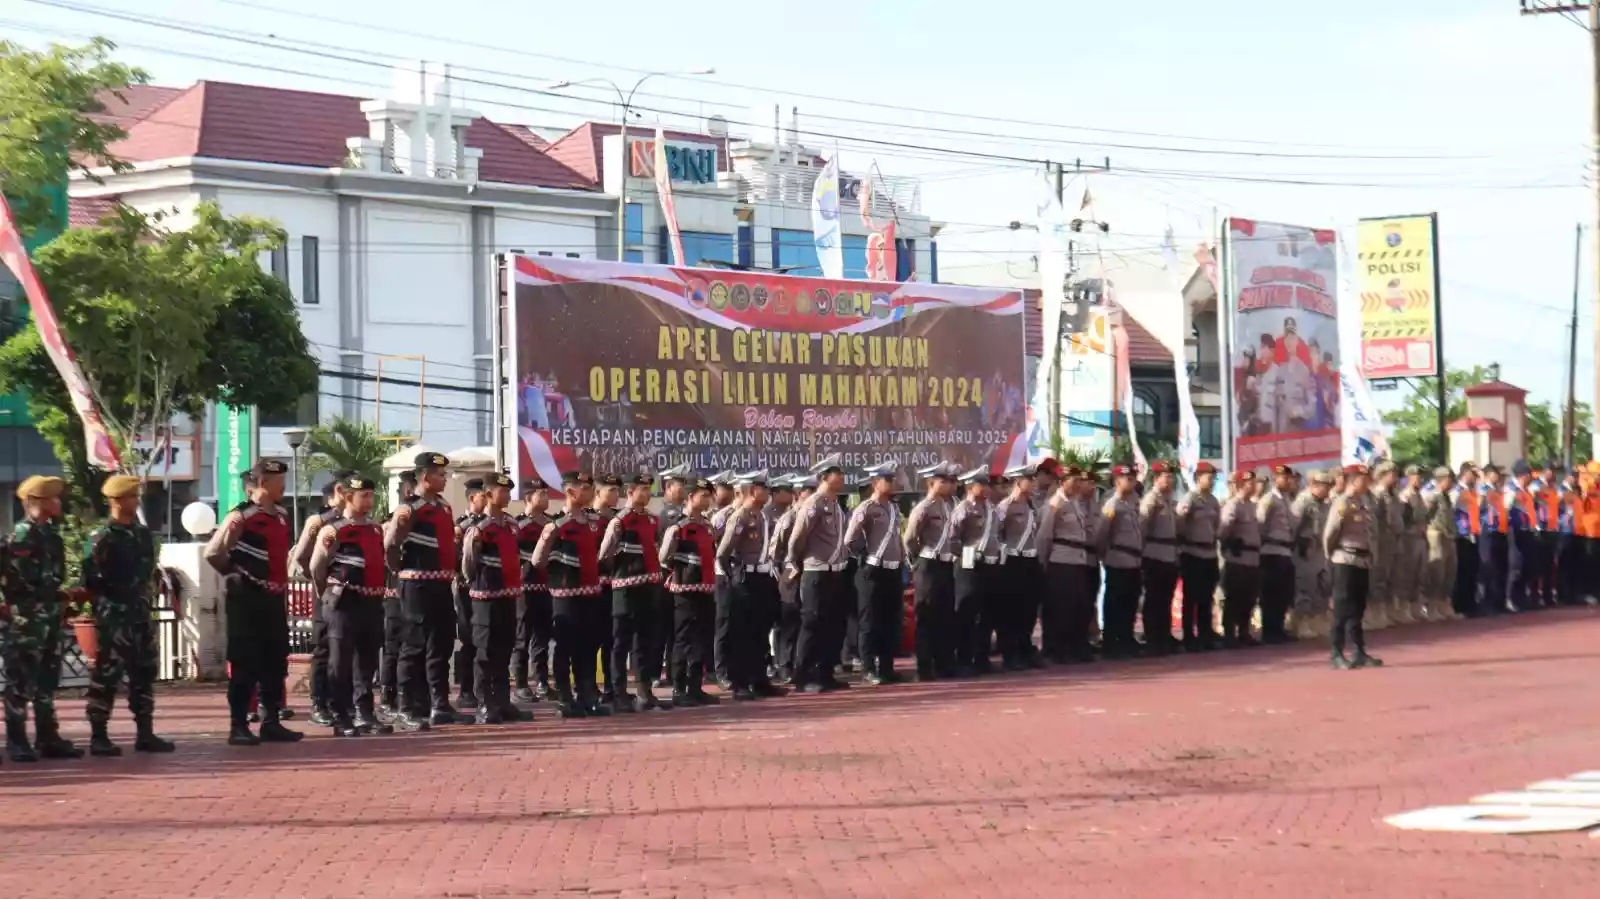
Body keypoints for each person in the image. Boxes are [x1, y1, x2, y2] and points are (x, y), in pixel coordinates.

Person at [204, 460, 302, 745]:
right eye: (277, 480)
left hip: (274, 599)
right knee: (245, 663)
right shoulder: (241, 517)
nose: (283, 484)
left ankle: (271, 721)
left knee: (275, 662)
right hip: (247, 599)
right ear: (262, 484)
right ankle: (238, 726)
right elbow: (213, 552)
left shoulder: (282, 515)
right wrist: (233, 575)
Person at [82, 475, 176, 756]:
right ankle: (99, 736)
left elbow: (147, 571)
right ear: (115, 500)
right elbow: (91, 581)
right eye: (131, 497)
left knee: (144, 673)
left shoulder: (142, 535)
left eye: (137, 497)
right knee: (106, 677)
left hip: (140, 615)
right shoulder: (102, 538)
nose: (136, 502)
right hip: (114, 619)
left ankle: (145, 733)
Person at [2, 476, 82, 762]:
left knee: (47, 683)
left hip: (49, 620)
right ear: (34, 502)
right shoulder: (20, 538)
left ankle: (48, 738)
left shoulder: (52, 537)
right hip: (26, 622)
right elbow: (15, 584)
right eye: (51, 498)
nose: (57, 502)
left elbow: (52, 579)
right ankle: (16, 740)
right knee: (20, 683)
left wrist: (63, 597)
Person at [307, 475, 392, 737]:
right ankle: (340, 715)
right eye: (363, 496)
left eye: (370, 495)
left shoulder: (375, 529)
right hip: (343, 602)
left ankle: (364, 712)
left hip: (371, 601)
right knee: (340, 661)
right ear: (347, 496)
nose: (369, 501)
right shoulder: (334, 530)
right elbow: (315, 566)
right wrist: (327, 594)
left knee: (366, 661)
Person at [383, 451, 457, 731]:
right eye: (440, 475)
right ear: (425, 477)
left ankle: (438, 703)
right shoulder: (408, 508)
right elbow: (390, 544)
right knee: (413, 645)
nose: (445, 479)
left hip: (440, 583)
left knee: (441, 643)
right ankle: (406, 706)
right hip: (416, 584)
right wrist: (398, 571)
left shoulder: (443, 506)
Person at [531, 472, 611, 718]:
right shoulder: (556, 525)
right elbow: (537, 560)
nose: (588, 492)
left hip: (591, 594)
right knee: (565, 647)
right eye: (583, 487)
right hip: (565, 596)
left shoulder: (593, 523)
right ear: (569, 491)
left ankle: (587, 694)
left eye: (589, 487)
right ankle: (565, 698)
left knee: (587, 647)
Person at [459, 474, 524, 725]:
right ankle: (485, 703)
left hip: (508, 595)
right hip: (485, 597)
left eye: (508, 491)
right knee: (485, 652)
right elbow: (468, 563)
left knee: (504, 649)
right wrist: (476, 583)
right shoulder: (479, 528)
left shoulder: (510, 525)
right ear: (487, 495)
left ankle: (502, 702)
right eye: (502, 491)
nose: (507, 495)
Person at [599, 473, 664, 712]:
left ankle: (644, 691)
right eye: (642, 489)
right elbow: (604, 554)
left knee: (644, 642)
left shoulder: (652, 520)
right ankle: (618, 693)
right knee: (620, 643)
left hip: (648, 588)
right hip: (625, 589)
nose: (646, 494)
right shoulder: (620, 521)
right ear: (630, 492)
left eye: (649, 489)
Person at [786, 455, 851, 693]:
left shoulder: (835, 504)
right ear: (824, 477)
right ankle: (802, 675)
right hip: (815, 571)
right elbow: (797, 538)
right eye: (837, 473)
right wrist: (798, 562)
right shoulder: (813, 503)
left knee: (831, 624)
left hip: (834, 572)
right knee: (812, 623)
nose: (842, 477)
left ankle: (824, 673)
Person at [291, 472, 350, 728]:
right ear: (336, 492)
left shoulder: (357, 521)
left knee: (347, 651)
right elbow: (302, 557)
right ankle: (319, 703)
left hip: (352, 598)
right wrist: (321, 584)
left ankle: (344, 704)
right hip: (326, 595)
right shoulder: (319, 521)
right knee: (323, 649)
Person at [717, 469, 783, 698]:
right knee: (742, 633)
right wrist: (733, 577)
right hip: (744, 579)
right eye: (764, 488)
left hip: (762, 577)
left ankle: (759, 679)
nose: (767, 492)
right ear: (753, 491)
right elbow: (723, 553)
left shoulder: (763, 516)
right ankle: (740, 683)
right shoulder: (741, 516)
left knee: (760, 631)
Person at [659, 477, 721, 706]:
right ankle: (678, 688)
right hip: (684, 589)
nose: (707, 500)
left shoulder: (707, 526)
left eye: (708, 495)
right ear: (690, 497)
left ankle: (695, 687)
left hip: (705, 588)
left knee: (701, 639)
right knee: (683, 639)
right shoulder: (678, 526)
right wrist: (680, 572)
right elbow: (664, 557)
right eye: (703, 495)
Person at [844, 460, 905, 683]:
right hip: (872, 569)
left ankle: (887, 668)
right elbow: (850, 539)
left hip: (892, 570)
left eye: (892, 479)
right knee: (869, 620)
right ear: (875, 483)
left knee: (891, 620)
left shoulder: (894, 508)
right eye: (887, 480)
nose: (892, 483)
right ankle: (869, 668)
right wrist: (865, 555)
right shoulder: (866, 508)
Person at [1034, 466, 1095, 663]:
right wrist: (1044, 563)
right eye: (1073, 480)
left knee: (1080, 605)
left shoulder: (1075, 503)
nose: (1078, 484)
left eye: (1079, 480)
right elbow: (1044, 536)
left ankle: (1075, 646)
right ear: (1062, 482)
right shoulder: (1055, 504)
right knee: (1060, 608)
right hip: (1060, 561)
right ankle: (1056, 649)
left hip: (1077, 559)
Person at [903, 463, 958, 679]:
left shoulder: (949, 506)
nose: (947, 485)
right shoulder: (923, 507)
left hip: (946, 564)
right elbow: (909, 538)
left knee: (945, 615)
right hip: (929, 565)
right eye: (942, 481)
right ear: (931, 483)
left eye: (948, 481)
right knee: (927, 616)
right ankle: (924, 667)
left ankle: (944, 663)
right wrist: (918, 559)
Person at [1325, 464, 1382, 669]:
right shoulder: (1342, 502)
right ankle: (1336, 653)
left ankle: (1359, 652)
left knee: (1358, 609)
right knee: (1342, 608)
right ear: (1352, 480)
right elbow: (1331, 532)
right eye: (1362, 478)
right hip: (1344, 559)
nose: (1366, 482)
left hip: (1361, 560)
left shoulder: (1363, 502)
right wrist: (1330, 556)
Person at [950, 466, 1001, 675]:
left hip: (989, 564)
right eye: (982, 484)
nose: (987, 488)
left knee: (987, 613)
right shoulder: (962, 509)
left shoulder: (991, 510)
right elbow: (952, 539)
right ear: (972, 486)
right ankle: (964, 658)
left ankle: (981, 657)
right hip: (968, 566)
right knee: (967, 613)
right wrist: (964, 555)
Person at [991, 463, 1041, 669]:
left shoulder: (1032, 506)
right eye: (1030, 479)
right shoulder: (1005, 507)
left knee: (1028, 609)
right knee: (1011, 610)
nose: (1034, 483)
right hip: (1012, 561)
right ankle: (1010, 654)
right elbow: (995, 533)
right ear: (1018, 482)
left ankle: (1024, 648)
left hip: (1030, 560)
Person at [513, 477, 557, 702]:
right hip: (525, 588)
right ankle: (520, 684)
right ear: (528, 497)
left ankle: (541, 681)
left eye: (547, 493)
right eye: (542, 494)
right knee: (522, 637)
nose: (546, 498)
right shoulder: (518, 525)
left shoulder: (551, 524)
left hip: (546, 588)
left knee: (542, 636)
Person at [378, 469, 417, 718]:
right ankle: (387, 697)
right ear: (407, 491)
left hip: (414, 595)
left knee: (413, 646)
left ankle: (410, 696)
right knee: (392, 648)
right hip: (394, 594)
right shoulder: (388, 523)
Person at [1096, 464, 1145, 659]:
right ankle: (1110, 641)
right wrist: (1104, 556)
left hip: (1133, 559)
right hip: (1117, 558)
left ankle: (1126, 638)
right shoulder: (1112, 505)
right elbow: (1102, 535)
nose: (1131, 481)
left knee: (1130, 601)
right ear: (1117, 481)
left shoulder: (1134, 504)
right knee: (1115, 602)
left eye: (1133, 477)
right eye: (1127, 478)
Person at [768, 473, 813, 683]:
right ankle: (784, 666)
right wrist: (783, 574)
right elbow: (775, 551)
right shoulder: (789, 518)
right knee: (789, 622)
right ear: (798, 494)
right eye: (808, 491)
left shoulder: (815, 515)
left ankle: (802, 665)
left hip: (811, 574)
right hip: (791, 575)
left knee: (808, 621)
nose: (812, 495)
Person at [652, 463, 693, 689]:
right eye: (681, 485)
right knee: (662, 628)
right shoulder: (668, 515)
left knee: (675, 629)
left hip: (679, 577)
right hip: (666, 576)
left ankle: (672, 670)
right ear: (668, 487)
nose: (685, 489)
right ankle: (655, 671)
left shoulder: (683, 513)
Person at [451, 478, 489, 711]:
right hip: (467, 589)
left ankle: (484, 688)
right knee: (468, 640)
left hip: (486, 589)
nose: (486, 499)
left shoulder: (492, 524)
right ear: (472, 498)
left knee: (486, 641)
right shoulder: (460, 526)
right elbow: (456, 557)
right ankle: (466, 690)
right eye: (483, 495)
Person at [1176, 462, 1222, 652]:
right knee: (1191, 598)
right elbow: (1179, 522)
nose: (1211, 481)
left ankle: (1205, 634)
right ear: (1198, 477)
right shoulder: (1190, 498)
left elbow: (1217, 525)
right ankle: (1189, 636)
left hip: (1209, 553)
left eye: (1213, 478)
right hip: (1192, 552)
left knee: (1206, 597)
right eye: (1209, 477)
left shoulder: (1213, 501)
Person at [1136, 462, 1180, 656]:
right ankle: (1153, 636)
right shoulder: (1151, 500)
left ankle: (1164, 634)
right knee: (1154, 598)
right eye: (1165, 476)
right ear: (1155, 479)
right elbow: (1142, 528)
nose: (1169, 479)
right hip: (1154, 554)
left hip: (1169, 554)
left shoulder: (1170, 500)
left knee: (1166, 598)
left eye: (1171, 476)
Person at [1218, 470, 1262, 647]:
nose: (1253, 485)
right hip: (1237, 558)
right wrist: (1229, 542)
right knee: (1234, 597)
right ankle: (1229, 633)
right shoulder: (1233, 505)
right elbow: (1223, 529)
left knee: (1249, 598)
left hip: (1252, 558)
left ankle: (1244, 631)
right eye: (1250, 482)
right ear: (1242, 485)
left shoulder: (1251, 506)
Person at [1290, 469, 1334, 639]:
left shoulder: (1324, 503)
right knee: (1305, 587)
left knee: (1322, 586)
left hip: (1319, 549)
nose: (1328, 490)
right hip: (1304, 549)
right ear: (1315, 485)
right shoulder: (1304, 501)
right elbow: (1293, 525)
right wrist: (1297, 543)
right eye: (1325, 486)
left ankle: (1316, 620)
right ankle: (1300, 623)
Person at [1256, 464, 1297, 644]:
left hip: (1285, 550)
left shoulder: (1286, 499)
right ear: (1275, 479)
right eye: (1284, 478)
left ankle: (1278, 628)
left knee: (1284, 593)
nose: (1288, 481)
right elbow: (1259, 523)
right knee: (1270, 594)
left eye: (1289, 478)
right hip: (1271, 551)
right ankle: (1269, 630)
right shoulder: (1269, 499)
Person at [591, 475, 623, 704]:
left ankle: (613, 687)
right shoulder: (586, 519)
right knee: (591, 640)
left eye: (618, 491)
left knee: (614, 639)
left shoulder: (618, 519)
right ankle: (590, 687)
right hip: (591, 588)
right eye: (611, 490)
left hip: (615, 585)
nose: (616, 495)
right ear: (598, 492)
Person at [1366, 462, 1401, 629]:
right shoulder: (1377, 494)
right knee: (1378, 577)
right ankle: (1374, 612)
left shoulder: (1393, 494)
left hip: (1393, 540)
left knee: (1391, 577)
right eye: (1391, 474)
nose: (1394, 477)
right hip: (1381, 541)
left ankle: (1387, 610)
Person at [1422, 466, 1459, 621]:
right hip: (1436, 535)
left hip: (1448, 535)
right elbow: (1425, 516)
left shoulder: (1446, 496)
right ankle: (1432, 605)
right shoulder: (1432, 496)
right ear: (1441, 480)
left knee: (1449, 572)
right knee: (1437, 571)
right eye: (1449, 480)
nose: (1451, 483)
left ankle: (1444, 603)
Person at [1394, 465, 1429, 625]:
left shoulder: (1419, 495)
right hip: (1409, 538)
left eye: (1421, 476)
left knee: (1420, 573)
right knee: (1408, 573)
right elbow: (1403, 519)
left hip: (1420, 537)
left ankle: (1416, 606)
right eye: (1417, 476)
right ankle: (1404, 607)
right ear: (1409, 477)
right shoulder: (1405, 496)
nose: (1420, 479)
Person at [1505, 459, 1540, 613]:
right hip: (1514, 530)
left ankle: (1521, 598)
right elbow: (1505, 509)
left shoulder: (1527, 491)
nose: (1530, 477)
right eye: (1528, 474)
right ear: (1521, 475)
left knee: (1528, 565)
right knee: (1516, 566)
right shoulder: (1511, 489)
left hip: (1527, 530)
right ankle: (1510, 598)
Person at [1477, 464, 1510, 616]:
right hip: (1487, 531)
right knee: (1489, 566)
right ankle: (1487, 602)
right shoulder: (1483, 489)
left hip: (1500, 531)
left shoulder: (1498, 491)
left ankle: (1498, 601)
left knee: (1500, 567)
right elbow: (1477, 507)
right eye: (1496, 473)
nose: (1499, 476)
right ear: (1489, 474)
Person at [1450, 464, 1481, 617]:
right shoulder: (1457, 492)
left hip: (1473, 535)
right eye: (1472, 474)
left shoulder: (1473, 492)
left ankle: (1470, 603)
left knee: (1472, 571)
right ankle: (1460, 605)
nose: (1475, 477)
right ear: (1464, 474)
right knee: (1462, 572)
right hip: (1461, 535)